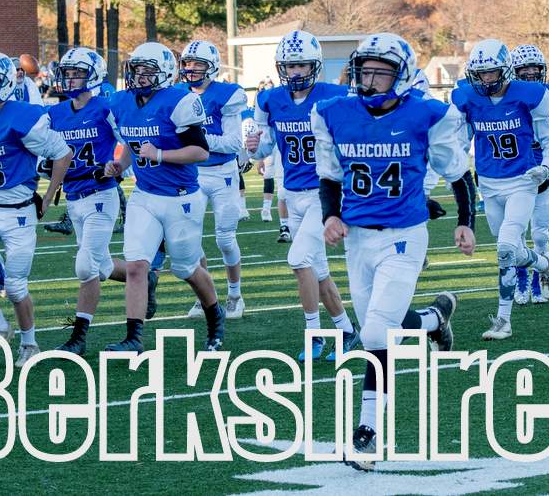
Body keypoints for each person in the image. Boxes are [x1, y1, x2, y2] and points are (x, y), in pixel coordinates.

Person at [312, 32, 473, 471]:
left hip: (404, 235)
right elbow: (330, 176)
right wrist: (330, 215)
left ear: (401, 76)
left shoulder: (428, 114)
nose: (368, 80)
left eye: (379, 72)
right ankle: (433, 320)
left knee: (375, 334)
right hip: (358, 238)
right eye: (364, 70)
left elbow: (459, 173)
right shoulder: (333, 113)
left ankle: (367, 432)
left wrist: (465, 221)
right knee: (383, 325)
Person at [0, 52, 73, 366]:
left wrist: (48, 197)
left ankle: (29, 342)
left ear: (6, 83)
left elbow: (63, 154)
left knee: (17, 286)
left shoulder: (23, 117)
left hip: (19, 213)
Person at [105, 41, 225, 352]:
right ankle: (134, 338)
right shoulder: (122, 102)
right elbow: (132, 143)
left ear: (165, 73)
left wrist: (160, 154)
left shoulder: (180, 101)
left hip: (180, 198)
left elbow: (200, 151)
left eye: (148, 70)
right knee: (136, 266)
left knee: (186, 269)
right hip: (144, 195)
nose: (140, 76)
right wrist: (120, 164)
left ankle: (215, 317)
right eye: (136, 69)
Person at [246, 30, 359, 361]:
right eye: (290, 66)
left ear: (315, 65)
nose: (295, 72)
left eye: (301, 65)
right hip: (292, 192)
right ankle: (346, 331)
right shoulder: (269, 100)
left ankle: (314, 335)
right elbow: (265, 148)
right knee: (318, 271)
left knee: (298, 260)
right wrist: (254, 147)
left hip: (323, 194)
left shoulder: (335, 96)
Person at [48, 48, 156, 355]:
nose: (70, 79)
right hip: (73, 198)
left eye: (77, 73)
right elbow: (44, 147)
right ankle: (146, 279)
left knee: (86, 267)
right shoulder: (55, 113)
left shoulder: (105, 108)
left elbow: (130, 140)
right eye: (67, 73)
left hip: (100, 195)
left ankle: (78, 337)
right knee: (103, 266)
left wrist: (118, 165)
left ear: (93, 76)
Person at [451, 39, 549, 341]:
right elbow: (459, 140)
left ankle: (503, 321)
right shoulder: (467, 98)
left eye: (492, 72)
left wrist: (547, 166)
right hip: (488, 183)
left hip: (522, 181)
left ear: (506, 70)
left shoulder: (529, 95)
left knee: (505, 249)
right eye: (481, 73)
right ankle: (544, 263)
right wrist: (453, 165)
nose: (486, 79)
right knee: (511, 250)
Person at [178, 41, 248, 320]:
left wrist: (200, 140)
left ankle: (235, 295)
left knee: (225, 238)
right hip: (191, 173)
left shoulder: (226, 95)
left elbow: (233, 143)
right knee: (190, 238)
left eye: (198, 64)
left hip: (222, 173)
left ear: (213, 67)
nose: (191, 68)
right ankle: (205, 296)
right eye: (187, 63)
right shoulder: (178, 95)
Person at [509, 44, 549, 303]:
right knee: (516, 233)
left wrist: (545, 143)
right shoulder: (505, 98)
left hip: (543, 173)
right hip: (515, 174)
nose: (530, 74)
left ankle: (541, 274)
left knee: (540, 233)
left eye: (534, 69)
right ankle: (521, 277)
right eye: (523, 70)